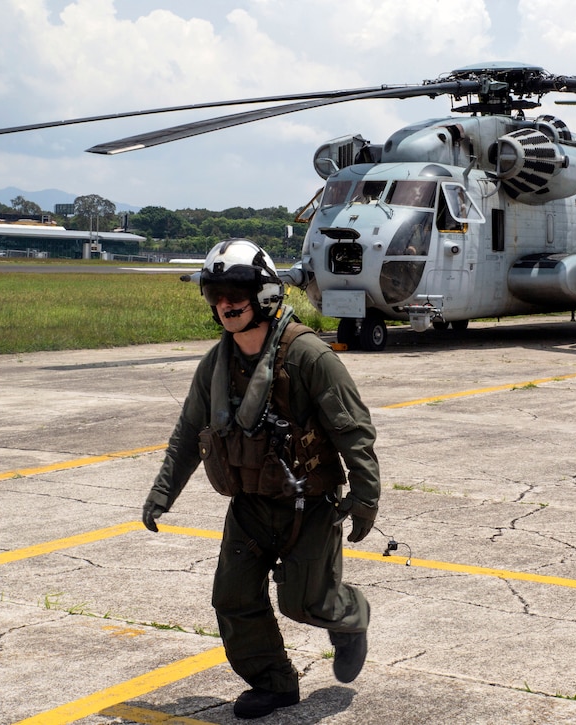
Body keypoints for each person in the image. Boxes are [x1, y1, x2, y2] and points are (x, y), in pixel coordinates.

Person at [142, 239, 380, 720]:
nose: (226, 303)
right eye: (216, 294)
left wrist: (365, 496)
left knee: (306, 603)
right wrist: (161, 493)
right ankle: (274, 683)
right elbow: (189, 432)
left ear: (266, 294)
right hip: (249, 506)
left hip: (309, 506)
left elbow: (353, 429)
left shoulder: (310, 357)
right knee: (233, 599)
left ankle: (349, 617)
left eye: (237, 291)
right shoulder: (216, 364)